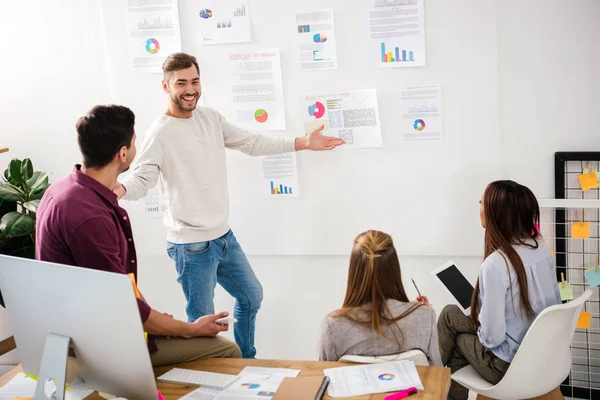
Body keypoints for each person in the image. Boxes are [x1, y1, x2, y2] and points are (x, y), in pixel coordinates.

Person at [113, 52, 345, 359]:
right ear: (165, 87)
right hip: (191, 246)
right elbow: (142, 178)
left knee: (251, 296)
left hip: (223, 236)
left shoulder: (210, 118)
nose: (190, 89)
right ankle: (208, 379)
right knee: (202, 324)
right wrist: (119, 188)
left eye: (194, 81)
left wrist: (303, 142)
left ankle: (244, 361)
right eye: (181, 83)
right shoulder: (159, 133)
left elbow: (251, 142)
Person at [36, 105, 241, 367]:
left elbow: (119, 288)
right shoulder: (91, 218)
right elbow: (122, 305)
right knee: (226, 351)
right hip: (99, 346)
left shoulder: (62, 190)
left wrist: (158, 321)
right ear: (123, 153)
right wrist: (188, 328)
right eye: (134, 142)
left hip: (87, 329)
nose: (136, 147)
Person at [437, 180, 561, 400]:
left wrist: (481, 320)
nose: (479, 208)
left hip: (506, 367)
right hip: (542, 355)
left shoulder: (496, 264)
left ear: (497, 213)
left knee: (452, 328)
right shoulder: (541, 249)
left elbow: (492, 338)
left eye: (481, 203)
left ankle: (428, 379)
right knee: (452, 316)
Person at [318, 230, 442, 366]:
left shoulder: (332, 325)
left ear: (354, 270)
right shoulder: (426, 316)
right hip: (416, 388)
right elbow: (437, 372)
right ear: (394, 268)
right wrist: (418, 312)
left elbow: (326, 377)